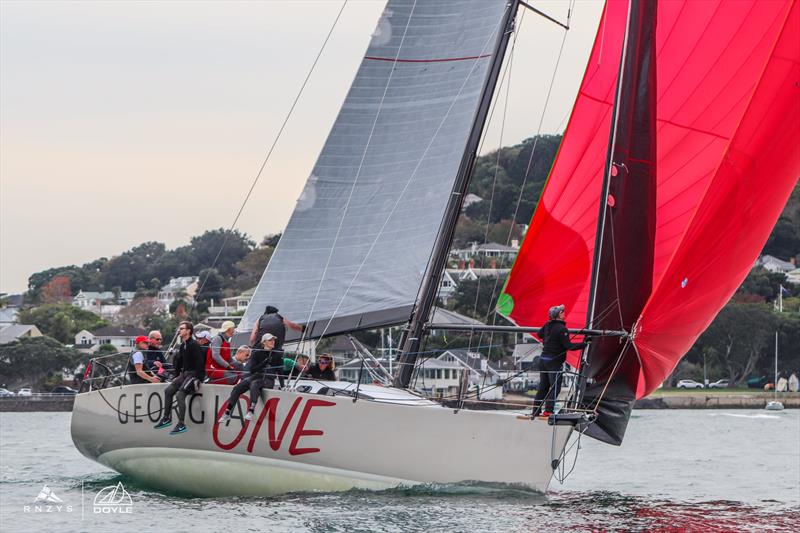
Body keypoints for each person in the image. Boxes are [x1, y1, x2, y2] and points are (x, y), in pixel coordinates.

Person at [533, 305, 587, 417]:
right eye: (562, 311)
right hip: (553, 363)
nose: (564, 313)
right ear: (558, 315)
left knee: (543, 387)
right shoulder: (562, 329)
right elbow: (569, 346)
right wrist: (584, 344)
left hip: (543, 360)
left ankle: (535, 411)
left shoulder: (547, 325)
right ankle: (548, 411)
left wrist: (547, 341)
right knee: (555, 388)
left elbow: (539, 334)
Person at [154, 321, 206, 435]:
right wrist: (176, 376)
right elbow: (180, 363)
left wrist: (199, 379)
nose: (179, 330)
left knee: (179, 394)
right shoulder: (183, 345)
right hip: (185, 374)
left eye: (182, 328)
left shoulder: (194, 345)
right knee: (168, 391)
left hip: (193, 374)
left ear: (188, 331)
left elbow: (200, 363)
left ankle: (181, 424)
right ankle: (166, 418)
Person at [219, 333, 283, 422]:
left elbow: (280, 371)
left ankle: (251, 410)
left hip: (268, 379)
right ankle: (227, 412)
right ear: (264, 342)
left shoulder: (277, 354)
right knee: (238, 386)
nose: (273, 342)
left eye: (273, 340)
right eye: (270, 340)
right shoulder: (257, 353)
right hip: (257, 375)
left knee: (254, 384)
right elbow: (253, 370)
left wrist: (283, 386)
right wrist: (264, 363)